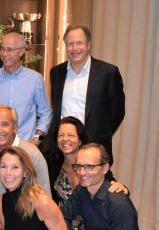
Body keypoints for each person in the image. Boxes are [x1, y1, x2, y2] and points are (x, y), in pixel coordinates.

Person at [47, 24, 125, 164]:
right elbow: (56, 108)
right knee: (62, 185)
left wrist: (100, 132)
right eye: (70, 44)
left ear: (88, 44)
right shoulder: (56, 72)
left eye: (79, 43)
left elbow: (117, 112)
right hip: (63, 147)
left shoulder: (108, 73)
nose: (74, 48)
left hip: (94, 145)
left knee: (91, 185)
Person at [0, 32, 51, 145]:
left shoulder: (35, 79)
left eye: (9, 50)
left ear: (21, 52)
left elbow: (45, 112)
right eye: (2, 49)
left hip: (26, 145)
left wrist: (37, 138)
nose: (4, 54)